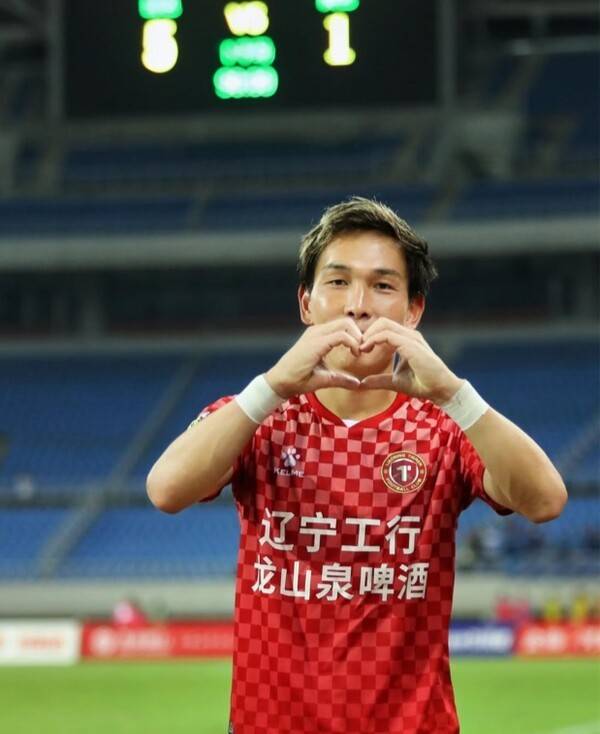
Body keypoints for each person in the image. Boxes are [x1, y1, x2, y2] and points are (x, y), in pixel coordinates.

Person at [147, 198, 567, 734]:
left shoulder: (447, 427)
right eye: (338, 282)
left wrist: (455, 395)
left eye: (383, 285)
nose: (359, 306)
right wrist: (271, 388)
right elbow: (166, 490)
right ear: (307, 304)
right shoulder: (257, 417)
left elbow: (546, 500)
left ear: (413, 312)